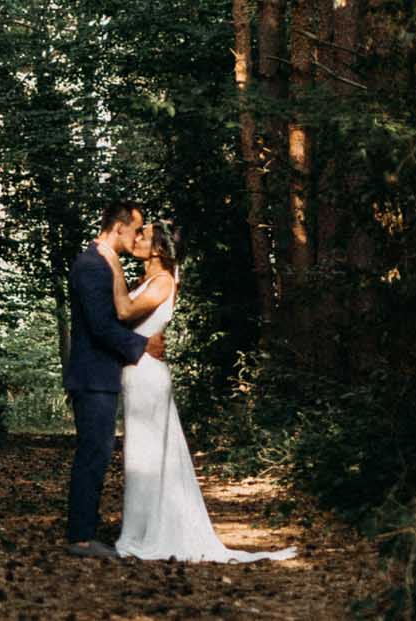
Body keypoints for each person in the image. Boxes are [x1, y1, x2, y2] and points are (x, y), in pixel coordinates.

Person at [108, 220, 297, 562]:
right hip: (138, 371)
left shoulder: (163, 281)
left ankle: (148, 533)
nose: (135, 238)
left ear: (159, 249)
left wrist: (111, 263)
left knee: (147, 454)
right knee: (140, 453)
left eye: (143, 235)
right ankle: (141, 528)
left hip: (148, 376)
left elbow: (124, 312)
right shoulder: (147, 280)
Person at [62, 200, 155, 559]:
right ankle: (81, 537)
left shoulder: (103, 264)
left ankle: (85, 530)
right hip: (92, 377)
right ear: (119, 227)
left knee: (98, 452)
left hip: (100, 375)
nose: (139, 236)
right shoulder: (91, 265)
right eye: (136, 229)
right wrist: (142, 346)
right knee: (93, 453)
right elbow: (100, 326)